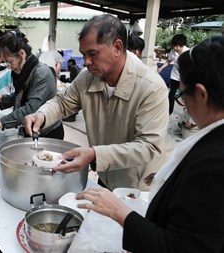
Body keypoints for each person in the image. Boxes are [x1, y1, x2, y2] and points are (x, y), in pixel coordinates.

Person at [76, 36, 224, 253]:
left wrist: (121, 213)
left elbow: (180, 246)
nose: (87, 62)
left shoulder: (213, 164)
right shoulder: (211, 146)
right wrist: (171, 180)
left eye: (181, 94)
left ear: (201, 94)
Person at [24, 14, 168, 191]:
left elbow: (149, 146)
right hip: (105, 175)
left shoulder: (150, 87)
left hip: (136, 187)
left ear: (117, 47)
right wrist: (42, 114)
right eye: (84, 54)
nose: (86, 62)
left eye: (92, 54)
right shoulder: (87, 77)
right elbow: (63, 102)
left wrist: (94, 154)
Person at [0, 32, 64, 139]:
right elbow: (20, 97)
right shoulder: (24, 71)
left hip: (47, 133)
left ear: (22, 53)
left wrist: (0, 122)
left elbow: (31, 107)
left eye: (9, 62)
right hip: (30, 128)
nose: (9, 67)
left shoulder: (41, 74)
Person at [157, 34, 189, 115]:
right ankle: (169, 111)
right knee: (171, 94)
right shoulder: (173, 52)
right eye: (174, 46)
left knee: (186, 96)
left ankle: (188, 112)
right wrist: (161, 68)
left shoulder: (188, 52)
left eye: (177, 46)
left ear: (182, 45)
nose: (175, 48)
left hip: (185, 77)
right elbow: (168, 61)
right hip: (174, 76)